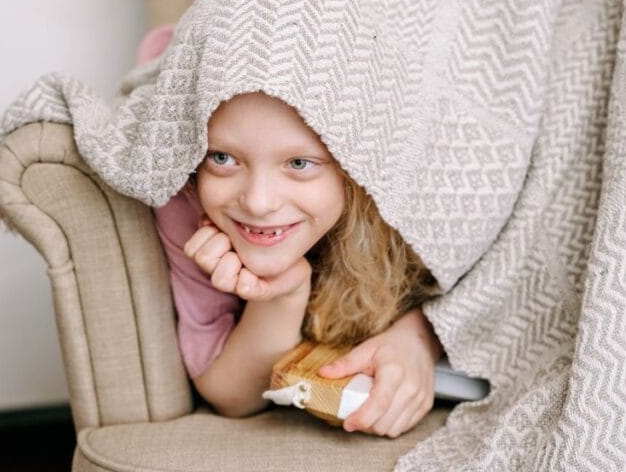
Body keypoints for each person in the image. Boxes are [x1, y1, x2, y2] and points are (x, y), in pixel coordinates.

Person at [142, 29, 443, 439]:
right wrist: (282, 294)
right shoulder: (184, 189)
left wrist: (419, 337)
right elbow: (229, 395)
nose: (258, 202)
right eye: (223, 157)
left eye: (299, 163)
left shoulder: (417, 183)